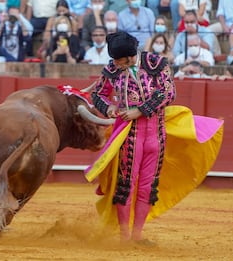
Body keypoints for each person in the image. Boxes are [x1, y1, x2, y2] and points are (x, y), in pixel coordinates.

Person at [86, 31, 224, 246]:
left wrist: (139, 110)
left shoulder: (155, 62)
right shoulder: (112, 69)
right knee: (126, 185)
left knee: (148, 187)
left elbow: (169, 92)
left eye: (119, 60)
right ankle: (124, 237)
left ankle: (137, 235)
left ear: (131, 57)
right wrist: (109, 107)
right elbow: (98, 94)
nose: (115, 64)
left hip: (156, 135)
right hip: (129, 135)